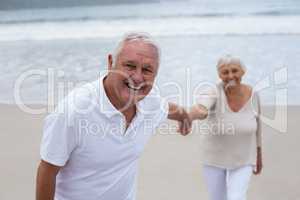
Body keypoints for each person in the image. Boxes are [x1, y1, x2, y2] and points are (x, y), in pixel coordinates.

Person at [36, 32, 191, 200]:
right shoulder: (74, 111)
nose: (138, 77)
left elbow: (167, 108)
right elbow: (47, 171)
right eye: (130, 66)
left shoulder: (149, 100)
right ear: (111, 62)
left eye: (147, 70)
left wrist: (185, 117)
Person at [189, 55, 263, 200]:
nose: (230, 76)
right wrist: (189, 117)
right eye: (225, 72)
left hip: (244, 159)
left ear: (243, 71)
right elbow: (201, 107)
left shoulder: (254, 94)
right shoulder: (213, 91)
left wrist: (259, 155)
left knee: (237, 197)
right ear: (219, 74)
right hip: (214, 158)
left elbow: (258, 127)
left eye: (234, 71)